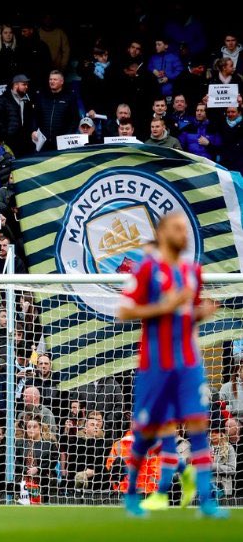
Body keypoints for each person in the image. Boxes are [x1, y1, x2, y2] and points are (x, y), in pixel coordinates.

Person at [117, 213, 226, 518]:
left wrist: (200, 314)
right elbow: (123, 311)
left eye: (185, 229)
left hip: (188, 363)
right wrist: (163, 306)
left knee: (198, 427)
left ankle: (207, 502)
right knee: (146, 431)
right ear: (163, 232)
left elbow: (186, 315)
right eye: (178, 228)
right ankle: (132, 496)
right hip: (155, 364)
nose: (184, 234)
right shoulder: (148, 269)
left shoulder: (193, 271)